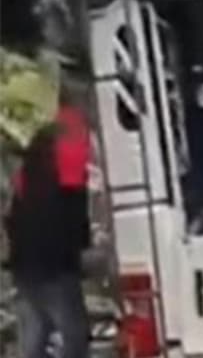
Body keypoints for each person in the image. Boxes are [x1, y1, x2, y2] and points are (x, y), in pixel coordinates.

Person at [4, 83, 92, 358]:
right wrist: (81, 245)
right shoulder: (72, 130)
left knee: (35, 333)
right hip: (53, 260)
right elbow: (73, 199)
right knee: (74, 334)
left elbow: (16, 203)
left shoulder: (41, 141)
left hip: (25, 259)